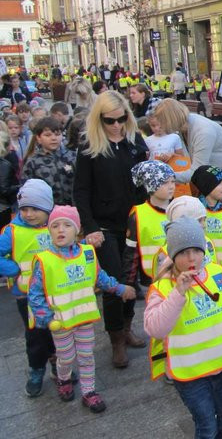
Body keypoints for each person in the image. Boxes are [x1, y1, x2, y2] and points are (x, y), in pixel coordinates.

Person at [143, 217, 222, 438]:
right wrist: (178, 294)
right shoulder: (163, 287)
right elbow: (155, 328)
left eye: (196, 250)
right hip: (189, 374)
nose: (191, 257)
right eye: (183, 252)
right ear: (173, 255)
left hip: (220, 367)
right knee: (206, 425)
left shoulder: (217, 274)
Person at [28, 206, 137, 413]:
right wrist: (45, 317)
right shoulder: (44, 260)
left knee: (87, 356)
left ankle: (89, 392)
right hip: (60, 323)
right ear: (49, 231)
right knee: (66, 357)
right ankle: (63, 379)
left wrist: (120, 288)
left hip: (84, 320)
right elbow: (34, 294)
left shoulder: (88, 254)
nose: (61, 230)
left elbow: (101, 278)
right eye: (55, 226)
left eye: (67, 225)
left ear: (78, 230)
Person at [72, 90, 149, 368]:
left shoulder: (134, 140)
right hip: (104, 226)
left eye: (121, 118)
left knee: (131, 279)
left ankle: (127, 328)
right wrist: (90, 227)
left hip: (133, 222)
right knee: (114, 281)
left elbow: (144, 181)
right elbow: (80, 191)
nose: (116, 125)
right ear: (99, 119)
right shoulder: (89, 145)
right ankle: (116, 337)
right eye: (109, 120)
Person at [152, 99, 222, 227]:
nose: (160, 127)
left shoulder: (203, 131)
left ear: (171, 119)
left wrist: (166, 177)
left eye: (162, 122)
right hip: (221, 173)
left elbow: (196, 171)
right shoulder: (184, 127)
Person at [0, 180, 56, 397]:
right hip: (26, 296)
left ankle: (57, 364)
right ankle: (36, 369)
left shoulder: (56, 225)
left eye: (35, 209)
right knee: (35, 335)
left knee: (57, 331)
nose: (29, 214)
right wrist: (12, 269)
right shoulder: (11, 231)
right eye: (24, 209)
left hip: (55, 292)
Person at [123, 160, 175, 282]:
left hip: (179, 276)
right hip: (151, 278)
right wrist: (129, 283)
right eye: (165, 182)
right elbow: (131, 253)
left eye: (173, 181)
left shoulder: (180, 208)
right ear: (151, 186)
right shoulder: (139, 214)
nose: (171, 186)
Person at [22, 117, 75, 206]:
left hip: (72, 209)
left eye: (57, 134)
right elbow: (27, 190)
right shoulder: (33, 162)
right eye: (48, 135)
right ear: (38, 138)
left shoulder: (72, 156)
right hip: (46, 209)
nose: (53, 138)